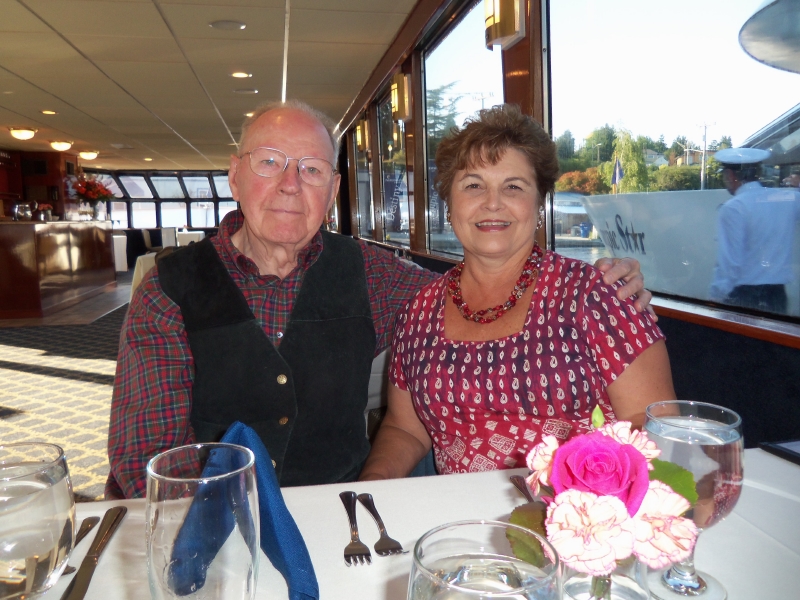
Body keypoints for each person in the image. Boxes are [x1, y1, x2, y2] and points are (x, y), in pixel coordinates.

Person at [107, 100, 653, 498]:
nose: (291, 184)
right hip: (212, 518)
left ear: (332, 190)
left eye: (312, 170)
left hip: (341, 513)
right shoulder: (168, 289)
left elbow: (483, 290)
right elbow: (146, 456)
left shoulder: (380, 277)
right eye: (270, 162)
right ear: (234, 174)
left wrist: (611, 278)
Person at [359, 105, 675, 480]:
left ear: (539, 204)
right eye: (473, 185)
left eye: (513, 187)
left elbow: (653, 426)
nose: (492, 202)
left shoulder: (596, 295)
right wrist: (372, 485)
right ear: (448, 203)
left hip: (572, 508)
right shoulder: (418, 312)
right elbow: (404, 427)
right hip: (457, 511)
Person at [710, 147, 800, 314]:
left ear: (730, 175)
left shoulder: (734, 208)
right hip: (777, 295)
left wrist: (716, 297)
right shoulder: (786, 199)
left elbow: (730, 264)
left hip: (744, 296)